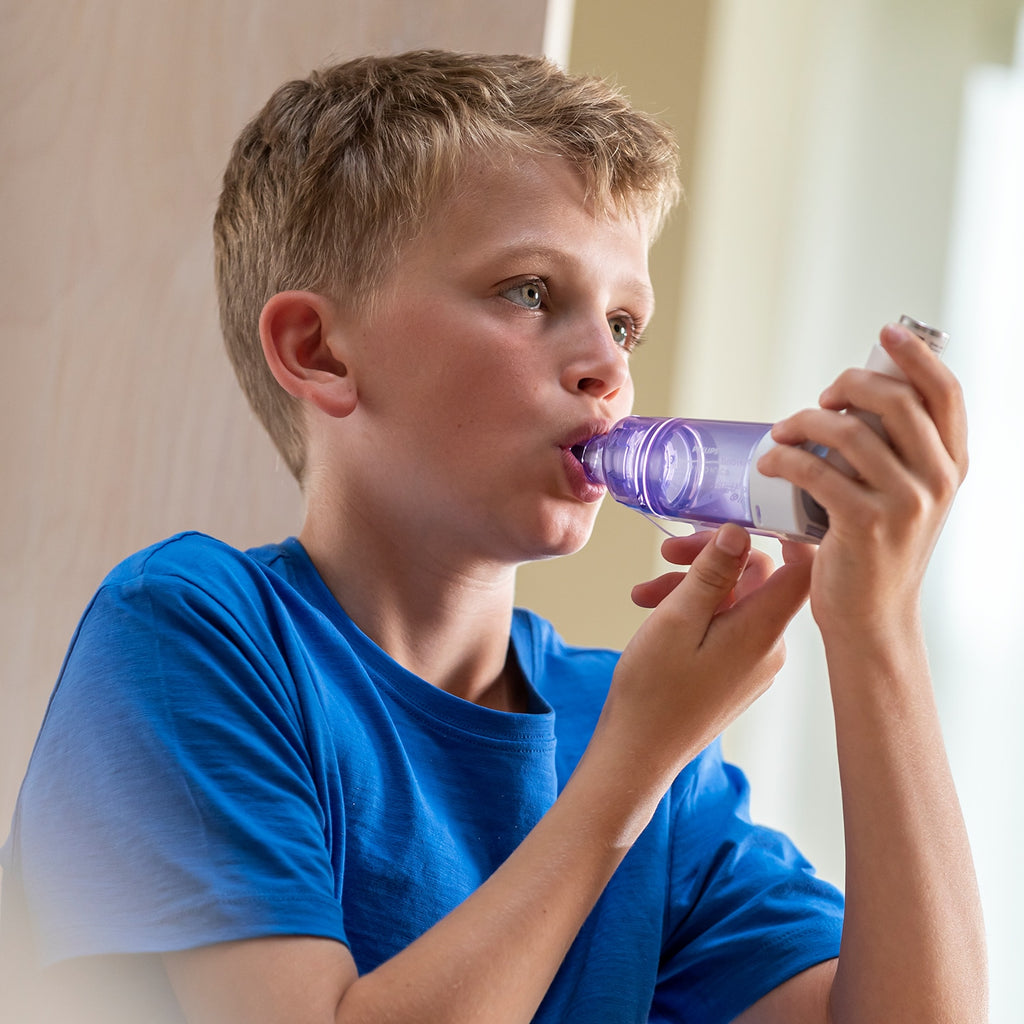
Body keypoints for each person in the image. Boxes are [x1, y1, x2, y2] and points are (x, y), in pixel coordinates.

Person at [0, 50, 985, 1023]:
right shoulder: (190, 632)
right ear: (320, 351)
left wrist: (872, 630)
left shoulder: (637, 731)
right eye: (530, 292)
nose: (607, 364)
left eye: (626, 322)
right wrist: (628, 769)